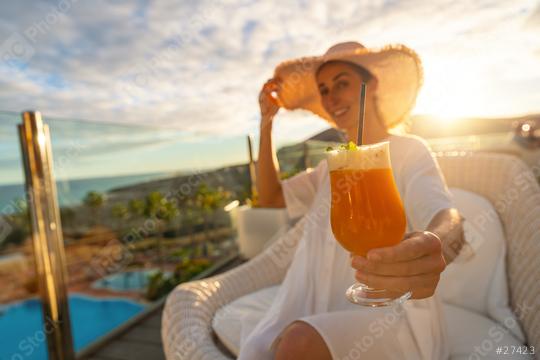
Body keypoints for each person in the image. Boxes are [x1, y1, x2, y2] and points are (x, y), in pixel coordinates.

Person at [239, 42, 466, 360]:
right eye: (324, 89)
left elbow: (447, 216)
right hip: (322, 308)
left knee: (296, 343)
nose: (331, 97)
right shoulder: (329, 168)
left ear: (370, 84)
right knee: (280, 343)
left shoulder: (408, 150)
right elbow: (271, 197)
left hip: (396, 314)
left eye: (342, 83)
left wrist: (435, 245)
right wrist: (266, 122)